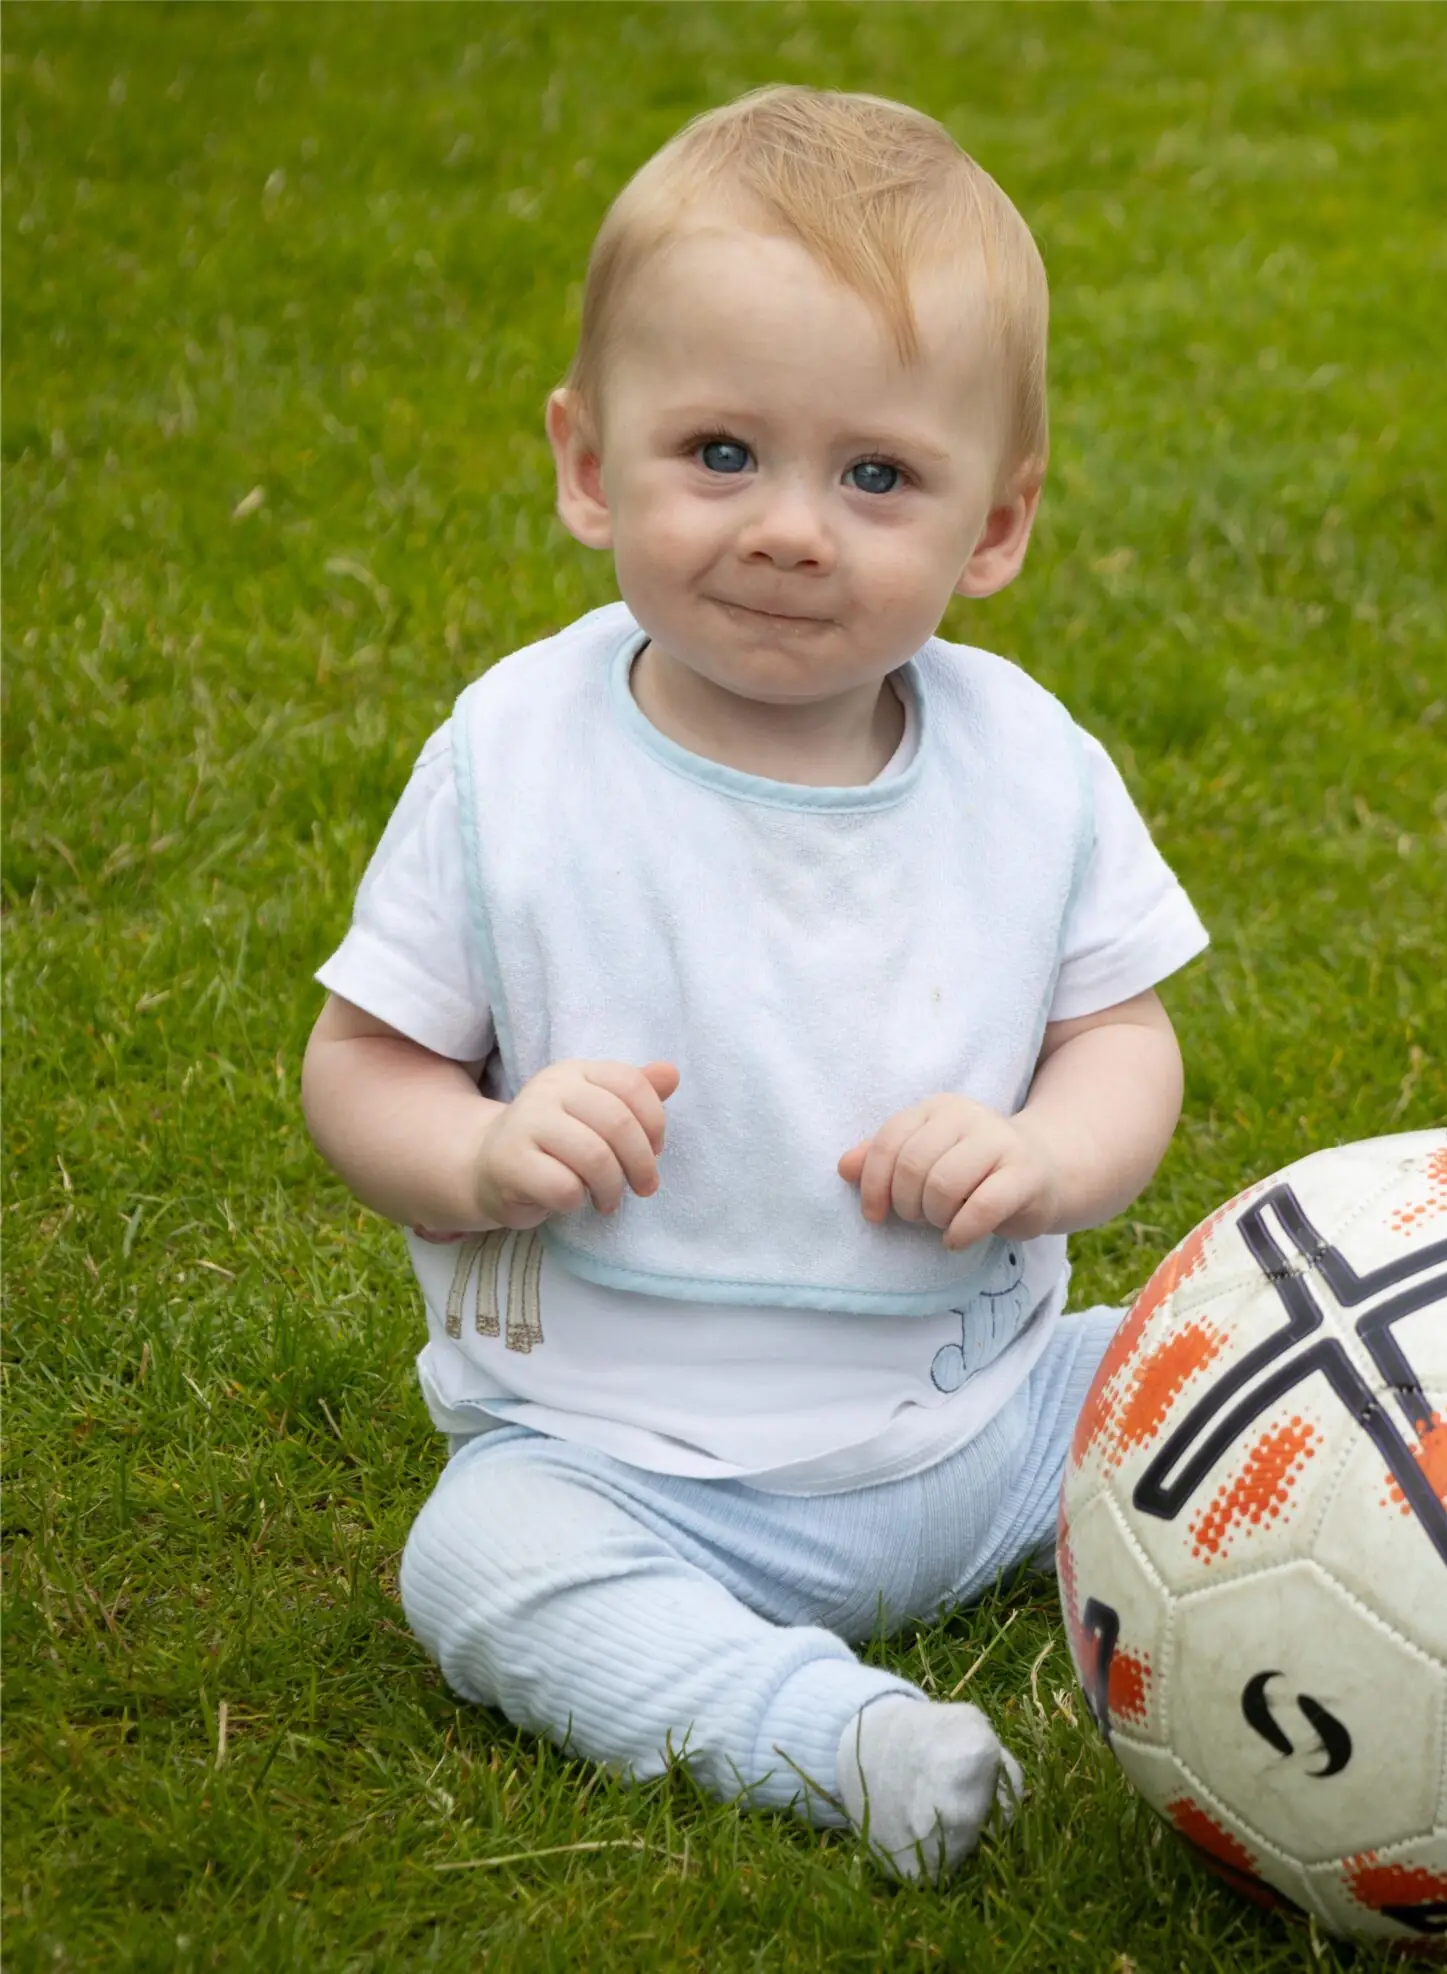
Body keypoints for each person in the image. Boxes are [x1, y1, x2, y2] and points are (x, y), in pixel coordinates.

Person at [299, 85, 1207, 1880]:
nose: (792, 526)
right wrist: (479, 1149)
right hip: (631, 1459)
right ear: (584, 462)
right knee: (476, 1561)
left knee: (1230, 1355)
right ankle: (830, 1734)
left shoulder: (1028, 766)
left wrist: (1048, 1155)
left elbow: (1124, 1035)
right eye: (720, 452)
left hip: (998, 1411)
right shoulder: (515, 765)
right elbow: (359, 1069)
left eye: (877, 476)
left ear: (997, 525)